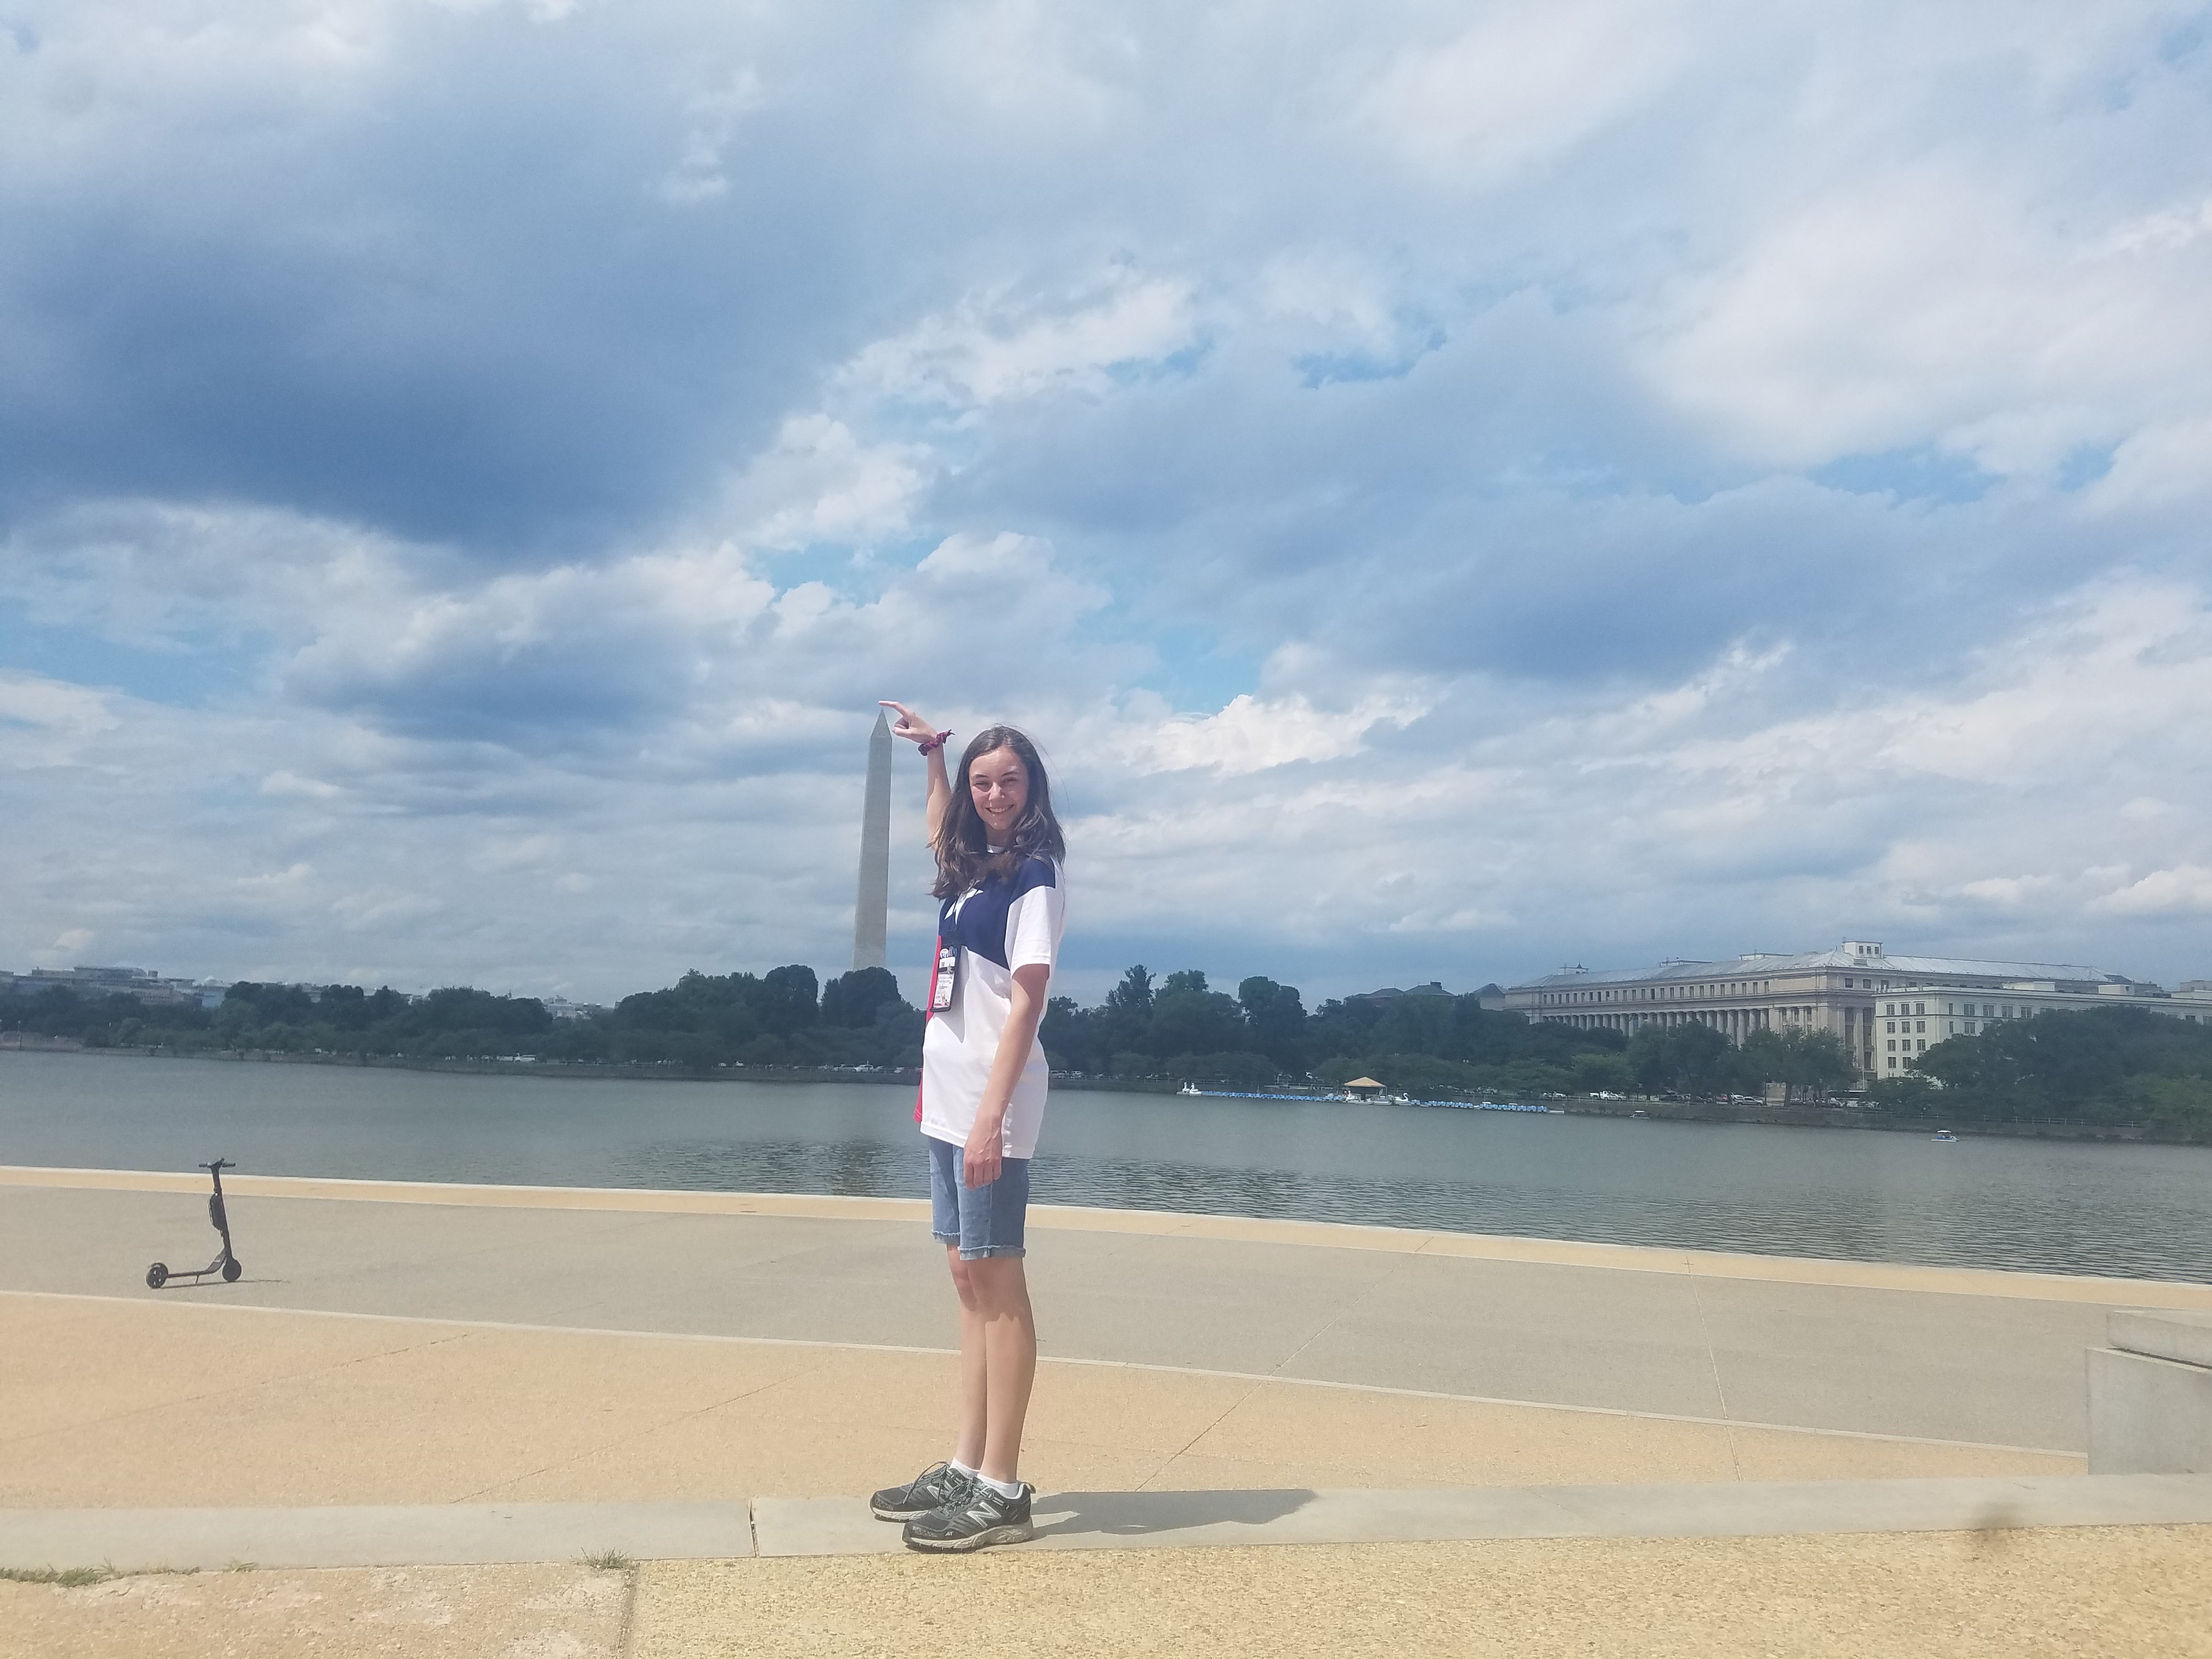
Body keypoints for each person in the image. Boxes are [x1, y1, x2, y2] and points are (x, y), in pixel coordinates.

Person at [868, 704, 1066, 1553]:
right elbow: (935, 824)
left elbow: (1028, 1002)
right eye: (983, 783)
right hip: (947, 1101)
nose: (993, 795)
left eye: (1008, 781)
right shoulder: (972, 869)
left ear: (1033, 788)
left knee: (999, 1285)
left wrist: (992, 1116)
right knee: (965, 1280)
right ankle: (966, 1460)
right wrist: (934, 758)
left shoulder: (1034, 877)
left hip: (994, 1104)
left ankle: (1003, 1484)